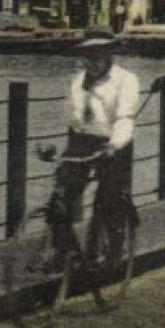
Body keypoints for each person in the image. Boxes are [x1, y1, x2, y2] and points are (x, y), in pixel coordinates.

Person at [62, 29, 139, 260]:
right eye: (88, 55)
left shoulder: (126, 80)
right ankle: (60, 250)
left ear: (109, 55)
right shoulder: (77, 82)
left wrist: (114, 145)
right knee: (63, 193)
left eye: (99, 55)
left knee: (110, 197)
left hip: (113, 142)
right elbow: (72, 118)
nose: (93, 62)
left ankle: (114, 250)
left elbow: (125, 117)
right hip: (83, 140)